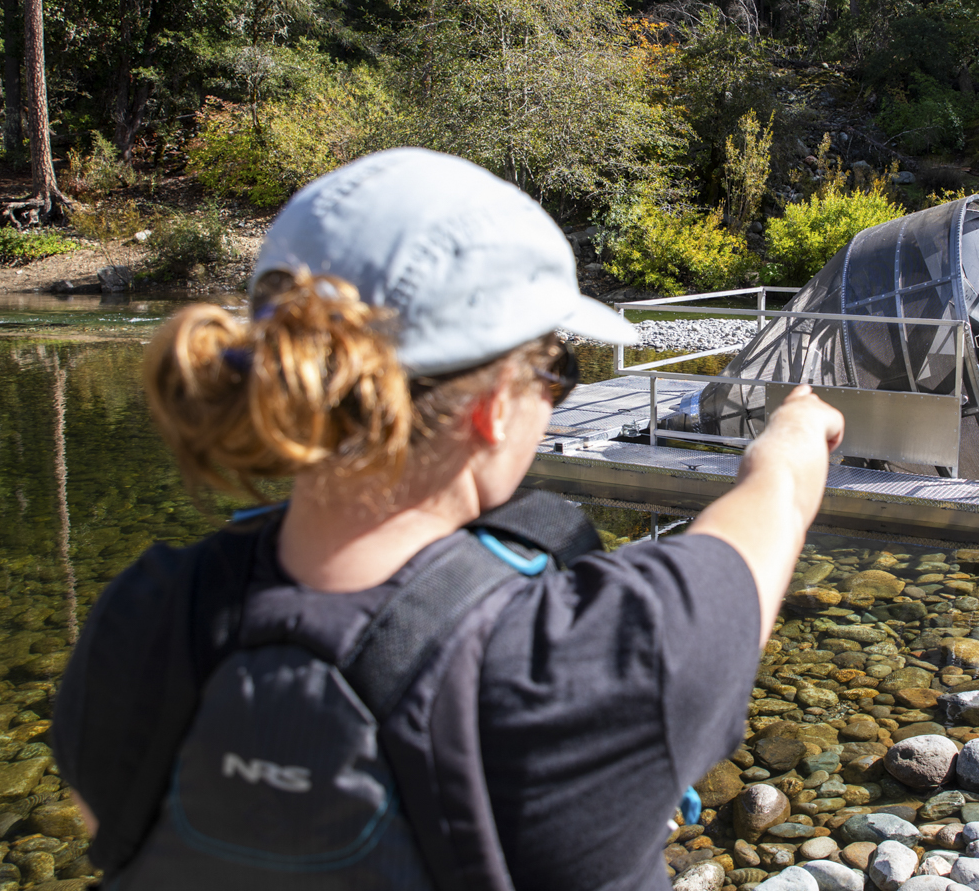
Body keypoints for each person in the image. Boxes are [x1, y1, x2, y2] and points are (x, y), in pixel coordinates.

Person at [51, 147, 844, 891]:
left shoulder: (145, 610)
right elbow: (773, 504)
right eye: (558, 370)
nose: (557, 394)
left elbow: (106, 818)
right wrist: (797, 430)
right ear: (496, 407)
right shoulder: (600, 658)